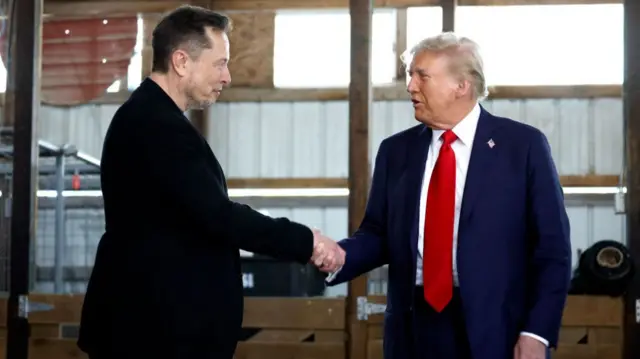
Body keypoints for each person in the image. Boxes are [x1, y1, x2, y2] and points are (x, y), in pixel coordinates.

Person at [77, 5, 344, 359]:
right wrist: (306, 241)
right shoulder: (158, 127)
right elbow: (219, 216)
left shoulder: (150, 118)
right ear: (182, 61)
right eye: (220, 63)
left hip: (153, 327)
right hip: (154, 334)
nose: (227, 76)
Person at [321, 32, 572, 359]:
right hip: (415, 330)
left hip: (498, 331)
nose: (410, 86)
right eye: (411, 75)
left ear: (461, 85)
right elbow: (378, 234)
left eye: (421, 76)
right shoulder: (395, 151)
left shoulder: (522, 147)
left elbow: (552, 250)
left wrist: (536, 332)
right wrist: (338, 255)